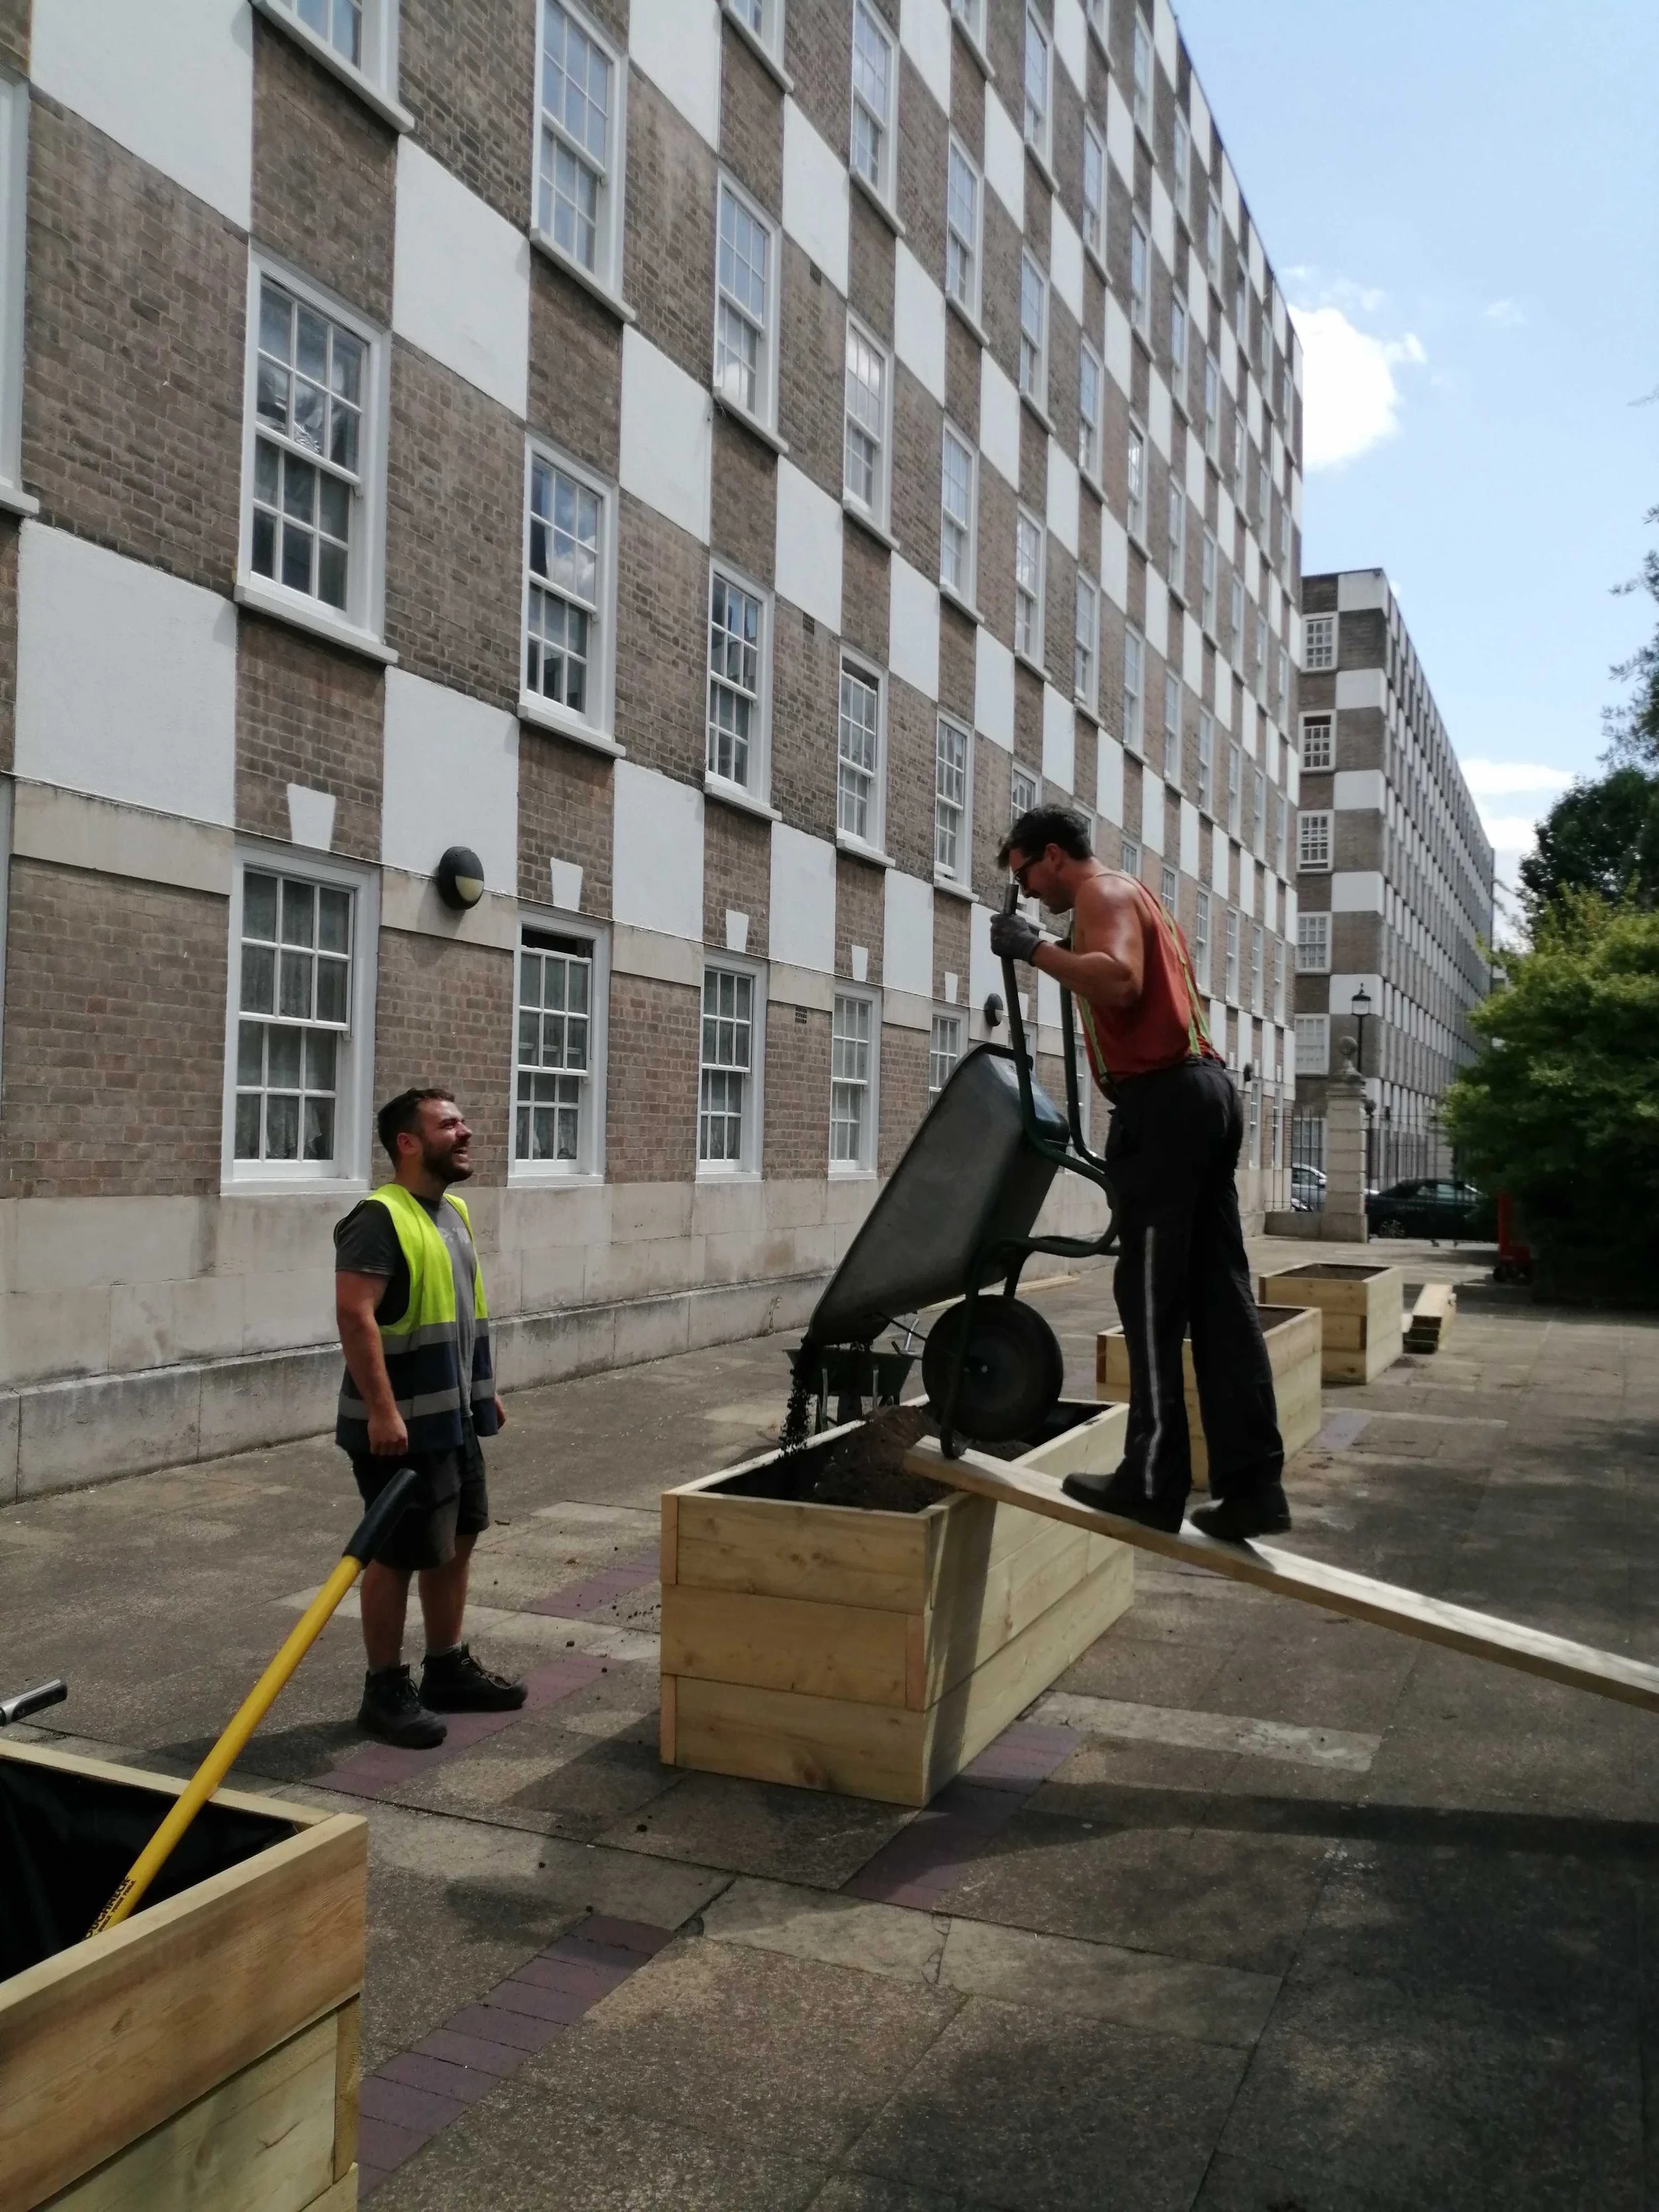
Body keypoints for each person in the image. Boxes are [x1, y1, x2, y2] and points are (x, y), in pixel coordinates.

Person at [990, 806, 1287, 1539]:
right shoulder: (1134, 897)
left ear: (1053, 856)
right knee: (1221, 1301)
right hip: (1203, 1094)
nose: (1025, 893)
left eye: (1024, 875)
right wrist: (1054, 948)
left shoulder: (1102, 895)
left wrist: (1033, 951)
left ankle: (1152, 1479)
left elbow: (1119, 981)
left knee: (1151, 1298)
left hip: (1166, 1106)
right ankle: (1253, 1489)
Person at [334, 1086, 527, 1745]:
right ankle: (384, 1688)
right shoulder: (378, 1218)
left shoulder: (453, 1213)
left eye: (462, 1121)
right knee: (395, 1556)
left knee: (459, 1539)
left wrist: (483, 1391)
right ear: (409, 1143)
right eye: (449, 1125)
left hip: (453, 1422)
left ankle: (445, 1667)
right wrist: (384, 1414)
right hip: (399, 1431)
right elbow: (354, 1314)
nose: (465, 1133)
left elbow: (463, 1310)